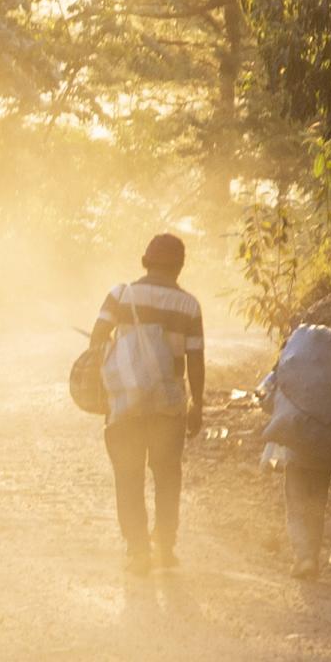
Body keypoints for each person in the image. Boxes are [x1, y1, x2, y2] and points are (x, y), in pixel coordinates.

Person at [89, 234, 207, 574]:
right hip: (168, 404)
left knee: (128, 474)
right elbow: (195, 359)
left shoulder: (121, 295)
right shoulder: (189, 306)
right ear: (180, 266)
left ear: (146, 260)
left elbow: (98, 340)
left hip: (125, 402)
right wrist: (197, 404)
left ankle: (137, 550)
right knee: (167, 474)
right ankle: (165, 547)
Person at [255, 323, 331, 579]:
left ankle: (302, 556)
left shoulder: (289, 365)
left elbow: (265, 396)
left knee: (296, 502)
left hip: (296, 444)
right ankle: (313, 557)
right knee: (318, 503)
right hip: (326, 450)